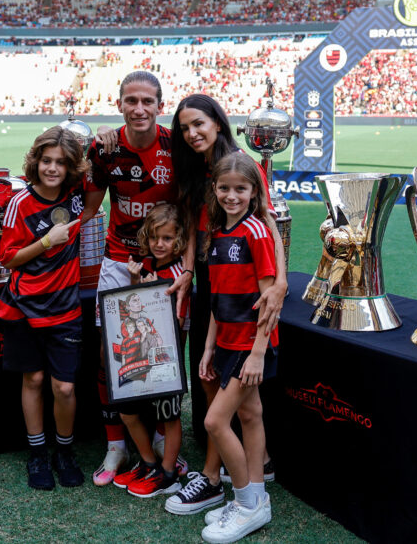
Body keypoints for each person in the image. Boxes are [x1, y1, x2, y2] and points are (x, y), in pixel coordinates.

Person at [164, 94, 284, 517]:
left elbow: (267, 221)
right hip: (213, 281)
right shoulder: (197, 168)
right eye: (184, 128)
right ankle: (252, 469)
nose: (192, 133)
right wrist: (187, 269)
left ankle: (214, 479)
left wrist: (280, 280)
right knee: (212, 379)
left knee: (222, 395)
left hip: (242, 284)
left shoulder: (239, 165)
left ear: (218, 121)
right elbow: (202, 225)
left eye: (199, 123)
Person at [84, 70, 183, 487]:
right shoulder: (102, 148)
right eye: (130, 100)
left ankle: (161, 439)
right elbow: (89, 208)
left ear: (160, 105)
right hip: (117, 262)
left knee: (162, 355)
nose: (138, 108)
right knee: (113, 356)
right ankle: (116, 445)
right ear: (119, 103)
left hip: (163, 267)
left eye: (147, 101)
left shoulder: (176, 148)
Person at [0, 126, 87, 491]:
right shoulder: (20, 203)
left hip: (65, 307)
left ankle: (64, 452)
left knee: (64, 388)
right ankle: (37, 454)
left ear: (70, 168)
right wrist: (47, 241)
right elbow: (8, 259)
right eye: (46, 160)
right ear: (36, 162)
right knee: (32, 379)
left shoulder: (76, 194)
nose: (52, 168)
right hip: (24, 307)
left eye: (60, 163)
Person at [198, 151, 278, 543]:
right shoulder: (217, 233)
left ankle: (247, 505)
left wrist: (259, 352)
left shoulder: (257, 232)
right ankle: (257, 497)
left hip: (250, 345)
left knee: (215, 421)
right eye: (225, 188)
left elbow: (269, 300)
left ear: (254, 191)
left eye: (241, 189)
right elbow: (217, 298)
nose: (232, 196)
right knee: (250, 415)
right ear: (215, 189)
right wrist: (210, 348)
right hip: (228, 342)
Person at [109, 203, 190, 498]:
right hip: (137, 356)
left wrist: (157, 294)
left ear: (179, 239)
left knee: (169, 415)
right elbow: (131, 311)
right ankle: (149, 463)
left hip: (167, 358)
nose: (159, 244)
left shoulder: (181, 271)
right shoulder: (145, 264)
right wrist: (135, 283)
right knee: (128, 411)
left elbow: (178, 321)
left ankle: (169, 473)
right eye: (155, 237)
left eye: (167, 238)